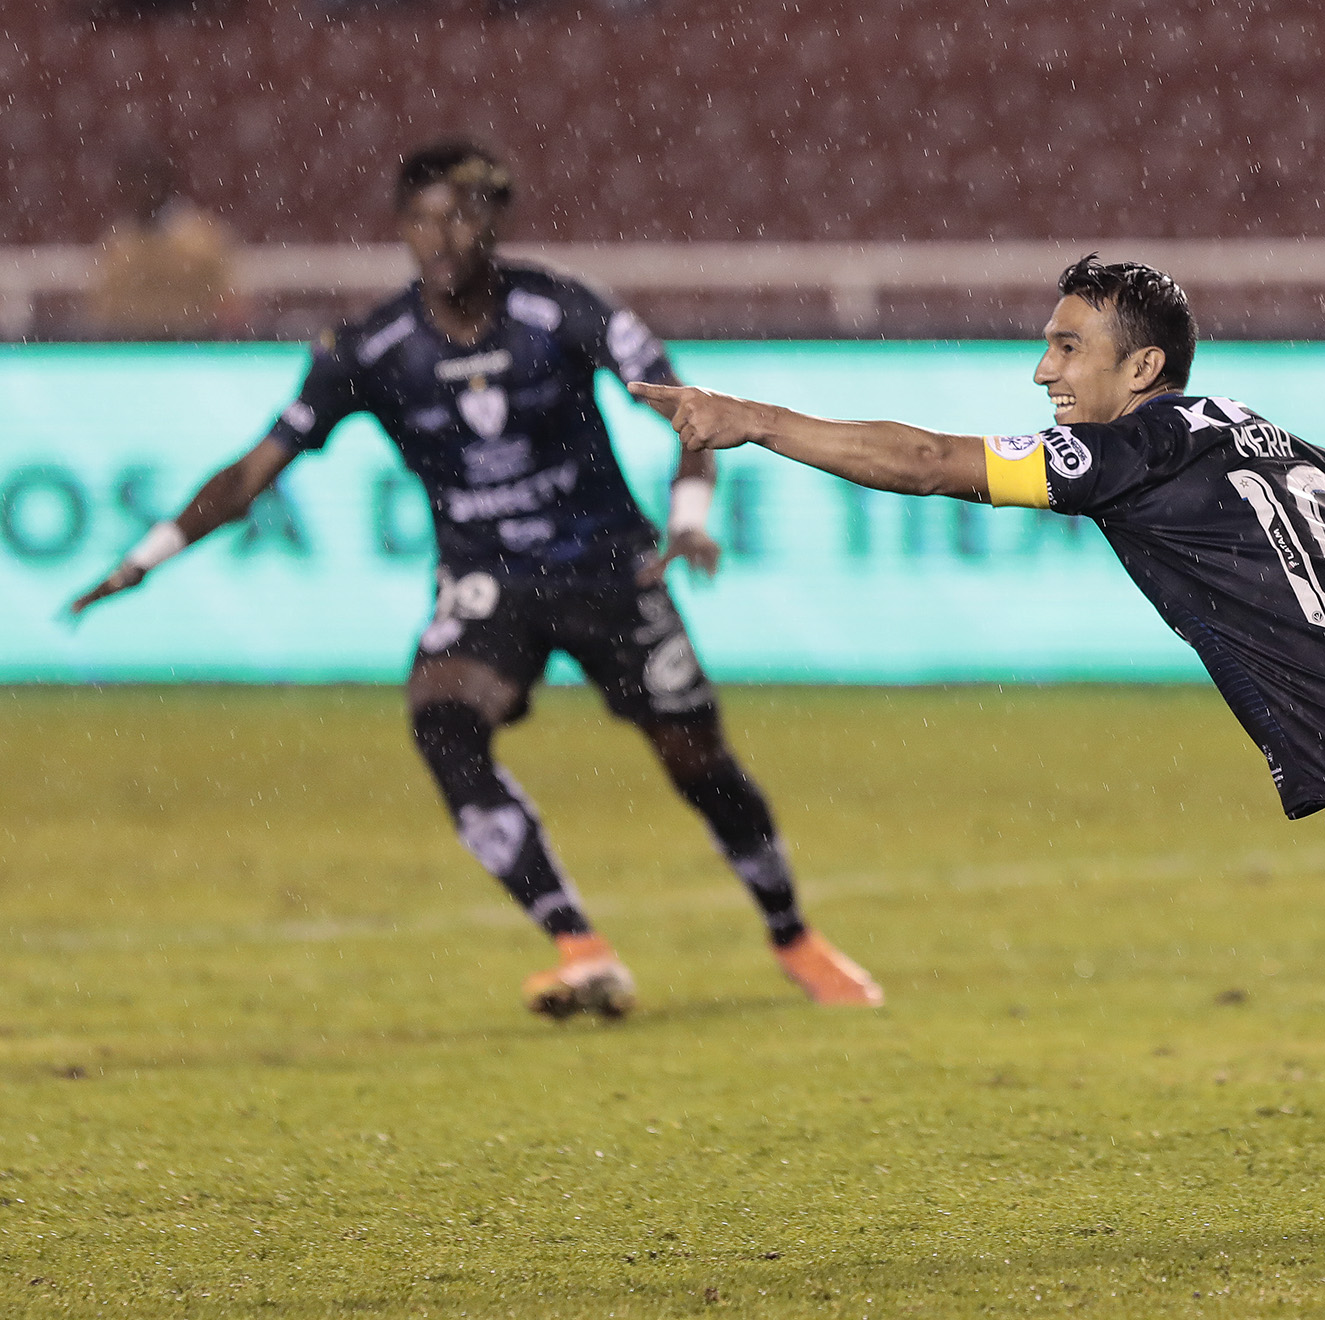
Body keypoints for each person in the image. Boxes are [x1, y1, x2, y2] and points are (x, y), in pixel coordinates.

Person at [628, 255, 1325, 1226]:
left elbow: (931, 465)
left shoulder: (1132, 449)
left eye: (1068, 348)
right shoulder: (1267, 436)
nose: (1043, 371)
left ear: (1141, 369)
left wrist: (756, 422)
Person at [70, 140, 883, 1019]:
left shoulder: (563, 310)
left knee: (697, 758)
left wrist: (688, 520)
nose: (442, 235)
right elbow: (256, 470)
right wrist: (146, 557)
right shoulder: (369, 347)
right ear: (401, 230)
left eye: (460, 214)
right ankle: (580, 946)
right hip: (486, 579)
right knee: (442, 718)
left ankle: (793, 937)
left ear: (493, 220)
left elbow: (688, 413)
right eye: (422, 217)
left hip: (609, 566)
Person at [84, 140, 244, 341]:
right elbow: (102, 312)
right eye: (128, 184)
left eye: (143, 182)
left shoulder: (201, 240)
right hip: (132, 354)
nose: (136, 192)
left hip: (193, 352)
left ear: (163, 184)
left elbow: (230, 308)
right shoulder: (116, 245)